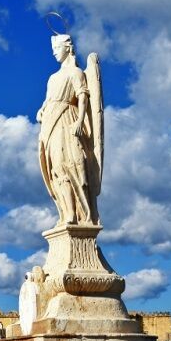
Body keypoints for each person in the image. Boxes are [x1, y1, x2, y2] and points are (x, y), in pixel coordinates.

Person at [36, 33, 102, 227]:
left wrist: (80, 121)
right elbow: (48, 101)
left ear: (67, 48)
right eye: (53, 49)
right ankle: (67, 213)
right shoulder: (52, 78)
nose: (54, 53)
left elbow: (83, 96)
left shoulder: (76, 73)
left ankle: (81, 214)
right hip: (50, 123)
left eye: (57, 48)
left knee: (71, 163)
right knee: (56, 169)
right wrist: (41, 110)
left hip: (67, 120)